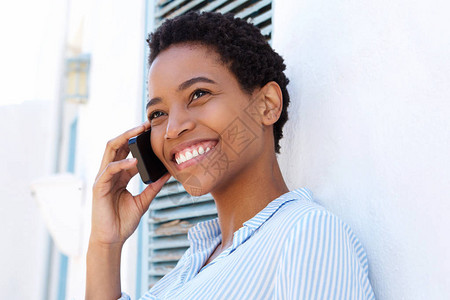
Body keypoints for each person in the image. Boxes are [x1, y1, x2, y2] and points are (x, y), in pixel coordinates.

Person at [86, 11, 375, 300]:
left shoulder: (307, 235)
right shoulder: (191, 266)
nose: (173, 128)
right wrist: (105, 243)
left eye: (198, 94)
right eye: (158, 114)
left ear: (267, 104)